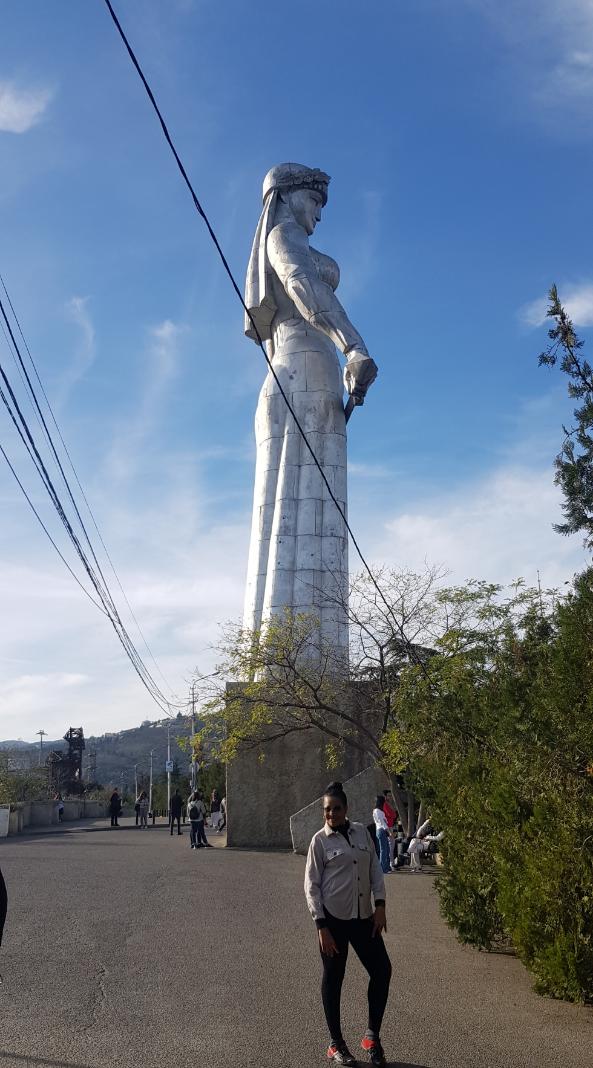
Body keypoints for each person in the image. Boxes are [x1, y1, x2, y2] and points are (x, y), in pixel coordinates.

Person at [243, 163, 378, 653]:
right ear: (286, 195)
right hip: (302, 374)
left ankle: (317, 665)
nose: (319, 213)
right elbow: (304, 286)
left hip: (310, 377)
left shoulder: (290, 236)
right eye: (315, 200)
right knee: (290, 515)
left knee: (317, 516)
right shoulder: (282, 237)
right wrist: (353, 346)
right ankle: (295, 667)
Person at [305, 781, 391, 1067]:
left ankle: (372, 1036)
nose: (331, 814)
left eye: (336, 808)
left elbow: (375, 870)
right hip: (333, 922)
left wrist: (380, 906)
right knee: (334, 979)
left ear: (346, 808)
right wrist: (321, 926)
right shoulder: (319, 841)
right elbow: (311, 886)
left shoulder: (361, 834)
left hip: (364, 917)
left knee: (382, 970)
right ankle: (335, 1043)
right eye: (327, 810)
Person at [372, 796, 391, 876]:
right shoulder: (377, 811)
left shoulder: (379, 811)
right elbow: (382, 822)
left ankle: (386, 867)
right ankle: (383, 868)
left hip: (381, 830)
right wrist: (389, 831)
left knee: (386, 849)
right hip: (381, 830)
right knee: (383, 850)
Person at [382, 790, 397, 870]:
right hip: (388, 827)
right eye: (388, 795)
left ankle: (392, 863)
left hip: (390, 826)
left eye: (390, 796)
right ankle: (391, 864)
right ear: (385, 796)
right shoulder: (384, 804)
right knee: (390, 846)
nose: (390, 797)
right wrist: (393, 813)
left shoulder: (388, 804)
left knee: (392, 845)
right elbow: (392, 814)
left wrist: (393, 814)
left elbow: (394, 814)